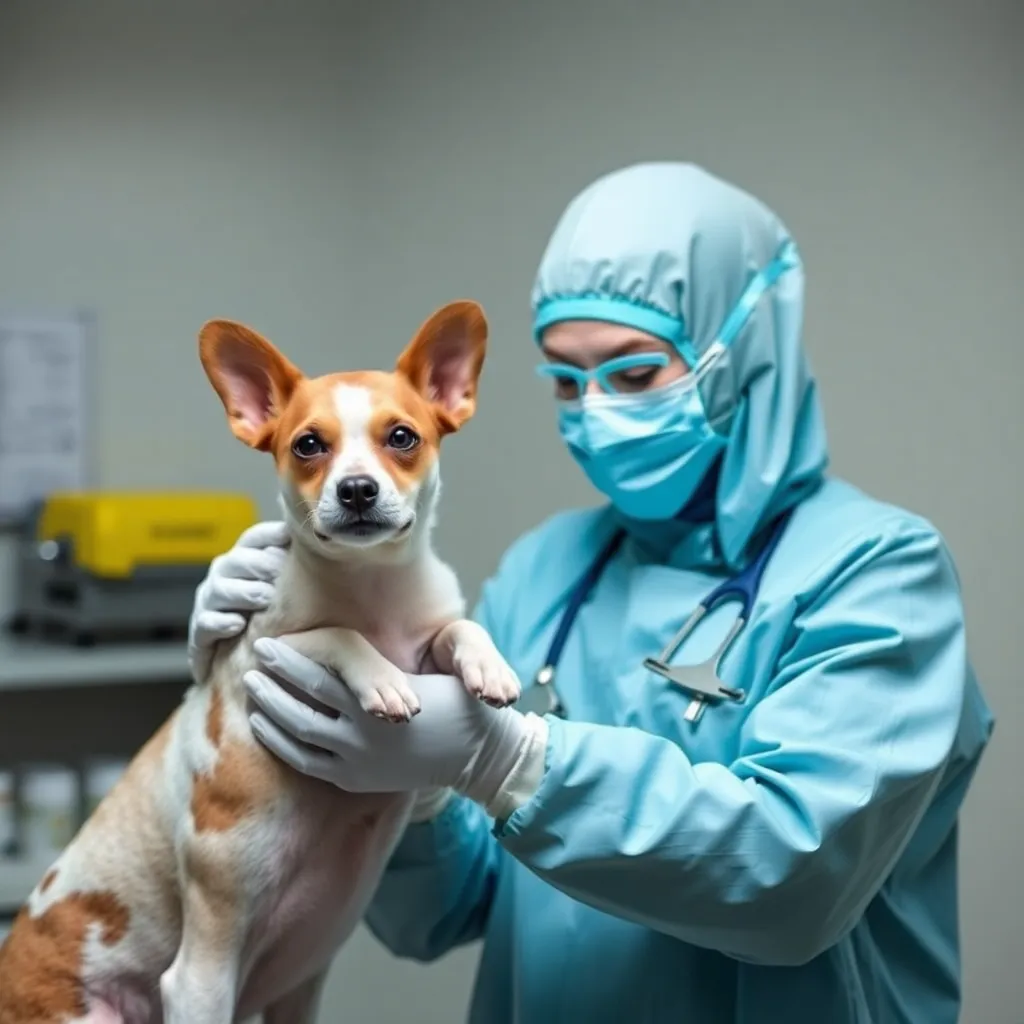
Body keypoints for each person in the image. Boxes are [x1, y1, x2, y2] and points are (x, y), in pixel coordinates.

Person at [187, 162, 994, 1023]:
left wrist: (504, 759)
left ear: (748, 349)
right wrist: (408, 793)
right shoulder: (548, 569)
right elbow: (443, 912)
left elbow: (791, 885)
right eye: (568, 383)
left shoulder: (878, 571)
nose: (596, 411)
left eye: (636, 375)